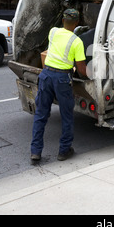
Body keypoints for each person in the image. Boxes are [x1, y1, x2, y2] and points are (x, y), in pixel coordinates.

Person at [30, 9, 87, 164]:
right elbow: (81, 69)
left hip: (46, 75)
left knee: (41, 115)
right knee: (66, 116)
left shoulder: (53, 32)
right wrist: (92, 76)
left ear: (63, 21)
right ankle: (64, 151)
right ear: (76, 24)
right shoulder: (77, 41)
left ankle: (35, 152)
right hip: (62, 79)